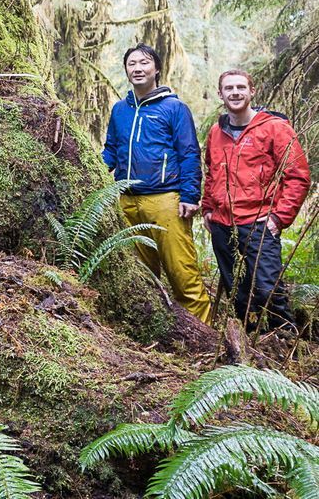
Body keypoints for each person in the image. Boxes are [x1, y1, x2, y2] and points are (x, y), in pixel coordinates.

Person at [102, 44, 212, 323]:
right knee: (141, 275)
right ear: (126, 70)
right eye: (132, 64)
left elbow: (189, 153)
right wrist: (96, 171)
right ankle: (156, 330)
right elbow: (111, 150)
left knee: (181, 271)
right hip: (127, 201)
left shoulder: (174, 108)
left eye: (144, 63)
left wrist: (190, 195)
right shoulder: (119, 110)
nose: (137, 68)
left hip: (166, 201)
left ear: (157, 69)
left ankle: (204, 334)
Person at [202, 70, 311, 332]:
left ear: (252, 91)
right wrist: (208, 209)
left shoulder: (274, 128)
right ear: (221, 94)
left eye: (241, 87)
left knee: (267, 290)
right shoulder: (216, 132)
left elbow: (298, 176)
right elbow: (211, 172)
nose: (235, 92)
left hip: (259, 223)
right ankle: (251, 347)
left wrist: (278, 218)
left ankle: (285, 344)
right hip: (223, 224)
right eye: (229, 88)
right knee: (238, 294)